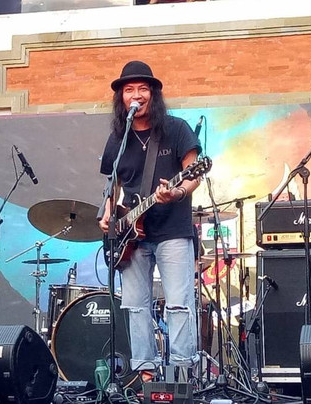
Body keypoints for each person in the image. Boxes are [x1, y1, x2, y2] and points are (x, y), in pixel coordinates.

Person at [99, 60, 201, 377]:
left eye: (143, 89)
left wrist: (177, 192)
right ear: (121, 97)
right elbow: (114, 185)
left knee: (179, 304)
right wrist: (109, 214)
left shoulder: (176, 129)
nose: (136, 95)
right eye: (129, 90)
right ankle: (145, 373)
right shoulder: (118, 138)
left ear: (153, 94)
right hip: (130, 236)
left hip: (173, 230)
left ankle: (182, 373)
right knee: (135, 306)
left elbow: (194, 175)